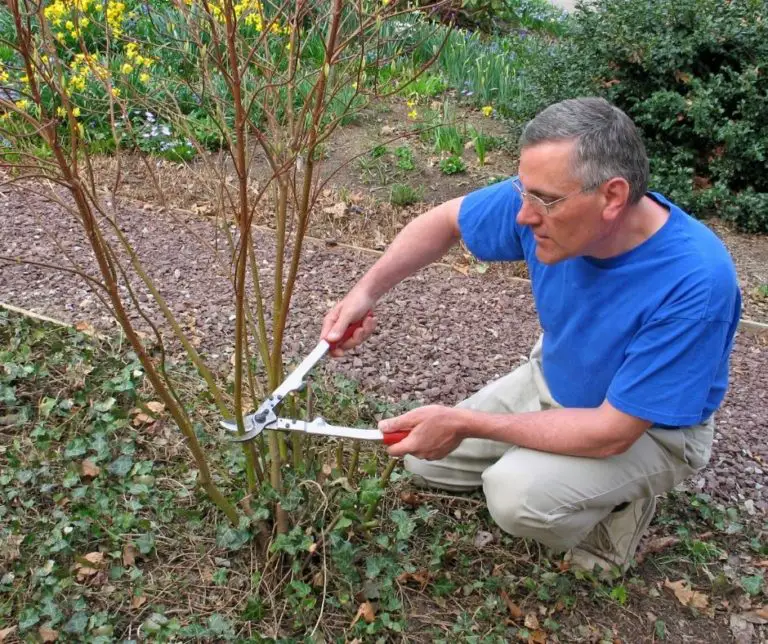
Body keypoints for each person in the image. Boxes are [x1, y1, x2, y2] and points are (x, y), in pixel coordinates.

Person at [319, 97, 742, 575]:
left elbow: (611, 433)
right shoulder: (547, 203)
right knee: (423, 460)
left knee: (516, 497)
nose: (523, 215)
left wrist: (465, 422)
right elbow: (446, 221)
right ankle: (551, 461)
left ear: (613, 197)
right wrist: (364, 292)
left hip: (649, 429)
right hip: (555, 376)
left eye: (544, 199)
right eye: (524, 191)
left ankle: (619, 509)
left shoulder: (695, 282)